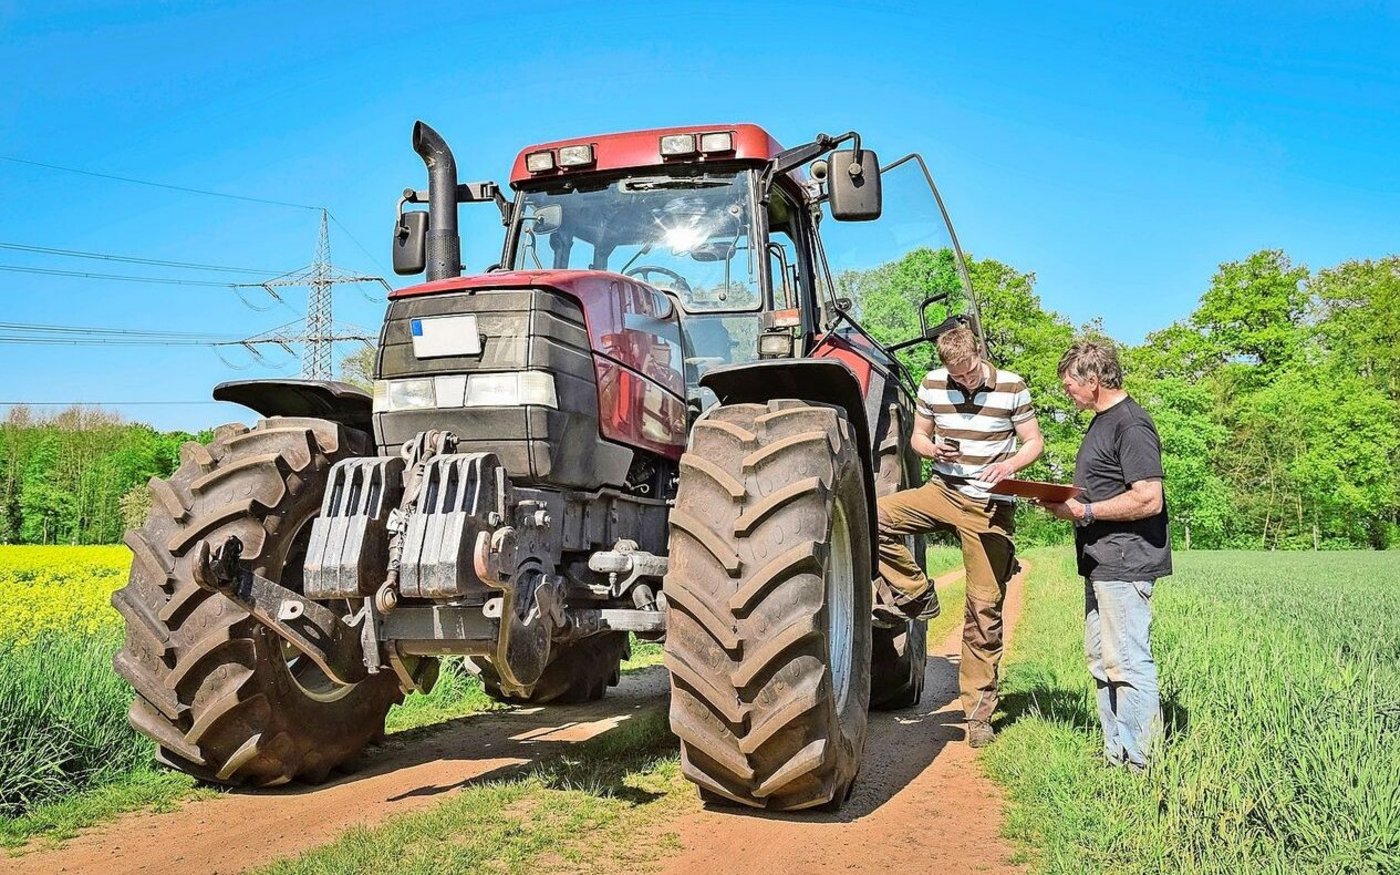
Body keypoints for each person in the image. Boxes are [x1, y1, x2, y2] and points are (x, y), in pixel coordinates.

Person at [877, 326, 1044, 748]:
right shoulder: (933, 384)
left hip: (990, 503)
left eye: (969, 371)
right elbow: (918, 438)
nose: (964, 380)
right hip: (943, 491)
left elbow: (1033, 443)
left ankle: (978, 714)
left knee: (983, 610)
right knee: (876, 517)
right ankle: (916, 593)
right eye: (957, 374)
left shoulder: (1011, 386)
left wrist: (1009, 467)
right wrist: (934, 451)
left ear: (978, 354)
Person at [1042, 340, 1171, 770]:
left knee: (1129, 662)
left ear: (1093, 382)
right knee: (1102, 659)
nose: (1066, 393)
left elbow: (1149, 498)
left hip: (1126, 562)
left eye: (1069, 386)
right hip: (1100, 562)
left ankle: (1141, 762)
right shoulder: (1101, 421)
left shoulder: (1131, 425)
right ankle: (1115, 754)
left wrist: (1087, 510)